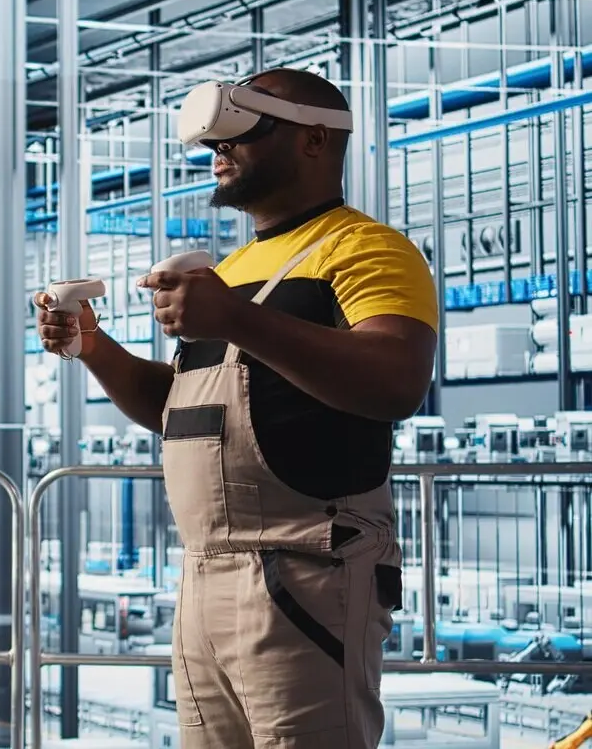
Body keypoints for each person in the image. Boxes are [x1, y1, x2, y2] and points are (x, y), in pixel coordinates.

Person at [36, 69, 438, 748]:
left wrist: (234, 317)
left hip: (307, 571)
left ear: (315, 139)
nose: (218, 148)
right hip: (202, 575)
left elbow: (397, 379)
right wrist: (94, 346)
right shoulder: (234, 270)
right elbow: (184, 409)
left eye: (246, 128)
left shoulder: (365, 248)